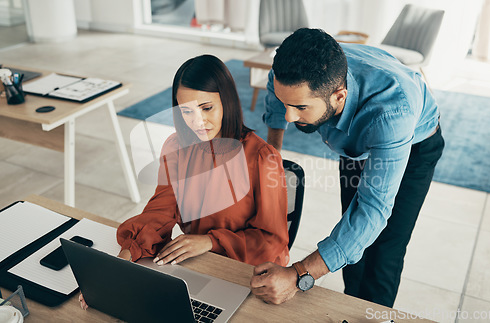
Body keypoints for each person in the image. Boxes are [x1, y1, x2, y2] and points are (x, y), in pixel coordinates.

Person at [250, 28, 445, 307]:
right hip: (358, 143)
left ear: (339, 96)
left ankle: (371, 312)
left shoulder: (391, 115)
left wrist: (297, 275)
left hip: (413, 145)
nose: (290, 116)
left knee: (383, 252)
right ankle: (352, 303)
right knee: (352, 235)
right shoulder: (296, 73)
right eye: (286, 104)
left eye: (301, 107)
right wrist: (274, 156)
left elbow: (371, 211)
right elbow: (274, 88)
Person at [80, 54, 289, 310]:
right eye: (186, 111)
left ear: (227, 101)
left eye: (206, 108)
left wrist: (210, 241)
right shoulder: (176, 147)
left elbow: (271, 242)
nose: (197, 122)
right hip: (199, 267)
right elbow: (161, 210)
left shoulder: (262, 157)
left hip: (250, 275)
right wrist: (125, 258)